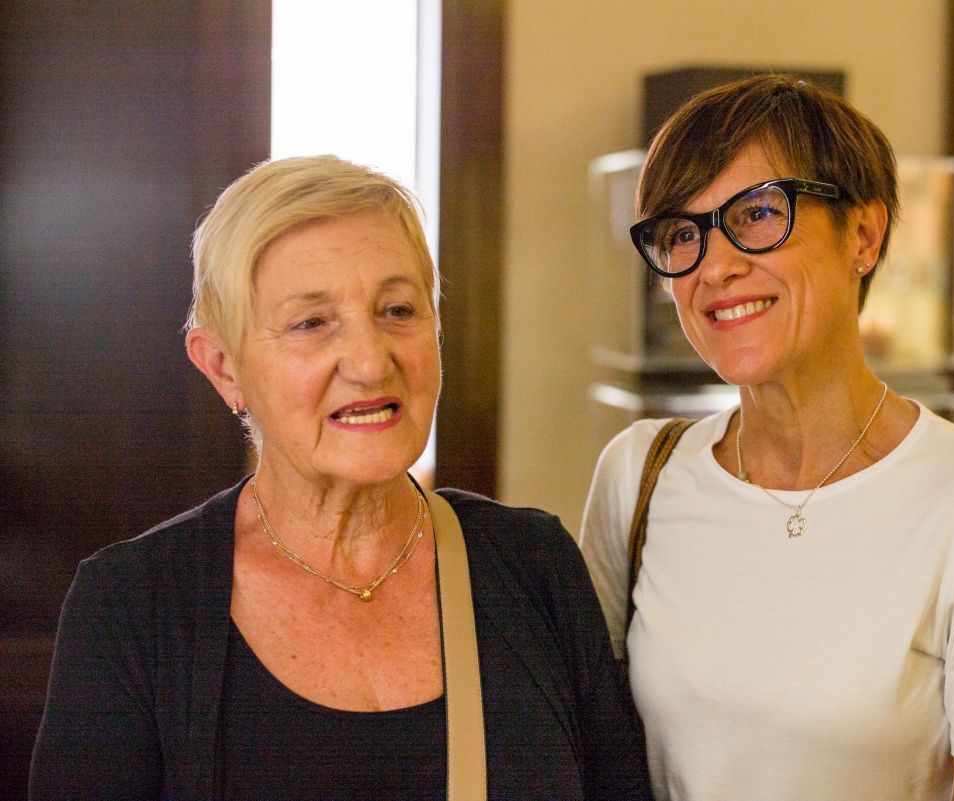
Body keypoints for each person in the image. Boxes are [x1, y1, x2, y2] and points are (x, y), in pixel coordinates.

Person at [30, 155, 652, 800]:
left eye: (398, 310)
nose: (370, 362)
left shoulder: (534, 565)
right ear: (222, 367)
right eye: (310, 323)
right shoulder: (132, 607)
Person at [580, 76, 954, 801]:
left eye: (758, 213)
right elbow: (586, 750)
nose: (714, 267)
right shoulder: (639, 474)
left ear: (864, 236)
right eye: (682, 234)